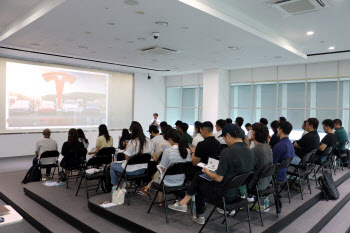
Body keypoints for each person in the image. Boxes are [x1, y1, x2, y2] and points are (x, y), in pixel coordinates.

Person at [168, 124, 254, 225]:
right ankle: (183, 203)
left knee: (199, 183)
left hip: (224, 194)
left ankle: (198, 214)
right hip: (239, 192)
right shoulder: (249, 151)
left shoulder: (228, 151)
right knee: (199, 176)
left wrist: (208, 172)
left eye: (224, 138)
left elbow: (218, 178)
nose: (225, 141)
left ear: (228, 136)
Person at [141, 129, 191, 205]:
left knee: (159, 172)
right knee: (160, 173)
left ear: (170, 139)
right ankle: (148, 187)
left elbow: (163, 169)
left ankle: (158, 200)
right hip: (181, 180)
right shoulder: (187, 151)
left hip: (168, 182)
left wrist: (159, 166)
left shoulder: (168, 151)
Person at [110, 122, 154, 187]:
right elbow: (151, 155)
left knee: (112, 165)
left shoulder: (132, 142)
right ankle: (125, 183)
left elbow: (127, 158)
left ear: (133, 132)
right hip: (143, 170)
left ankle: (114, 187)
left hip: (130, 170)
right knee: (122, 164)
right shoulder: (149, 141)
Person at [247, 123, 273, 191]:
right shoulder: (268, 148)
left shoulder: (255, 150)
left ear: (254, 133)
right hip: (266, 182)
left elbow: (246, 168)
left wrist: (247, 144)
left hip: (256, 184)